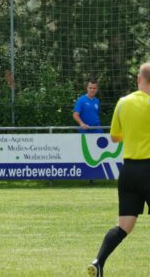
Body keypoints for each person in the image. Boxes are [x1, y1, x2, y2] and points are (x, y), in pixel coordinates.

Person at [87, 63, 150, 276]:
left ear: (138, 80)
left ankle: (98, 262)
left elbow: (115, 137)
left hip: (129, 171)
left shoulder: (123, 103)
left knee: (123, 226)